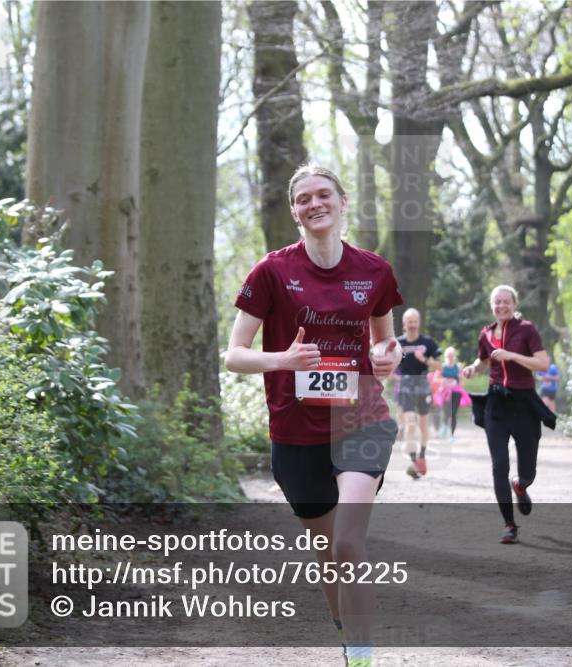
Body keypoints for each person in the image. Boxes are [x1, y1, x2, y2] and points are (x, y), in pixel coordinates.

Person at [225, 164, 403, 667]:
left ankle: (363, 655)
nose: (315, 203)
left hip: (361, 420)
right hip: (295, 431)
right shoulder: (271, 272)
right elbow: (234, 354)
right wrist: (283, 359)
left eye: (324, 194)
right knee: (328, 553)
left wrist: (387, 357)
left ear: (343, 202)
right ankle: (349, 638)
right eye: (304, 198)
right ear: (294, 212)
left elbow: (385, 342)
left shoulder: (374, 270)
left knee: (348, 541)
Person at [463, 285, 551, 544]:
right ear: (492, 306)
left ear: (514, 304)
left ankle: (520, 485)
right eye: (497, 302)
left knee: (528, 471)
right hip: (496, 404)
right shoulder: (486, 334)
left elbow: (543, 363)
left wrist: (512, 355)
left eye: (506, 301)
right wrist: (473, 368)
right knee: (499, 465)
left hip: (523, 404)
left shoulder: (527, 329)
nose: (501, 306)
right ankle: (509, 525)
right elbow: (483, 361)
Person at [396, 308, 441, 479]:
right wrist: (394, 375)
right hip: (406, 385)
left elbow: (440, 366)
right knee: (410, 424)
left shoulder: (428, 342)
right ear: (404, 324)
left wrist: (424, 359)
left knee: (423, 424)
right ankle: (414, 461)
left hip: (423, 384)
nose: (413, 325)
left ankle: (422, 455)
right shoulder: (398, 343)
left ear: (419, 323)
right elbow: (389, 364)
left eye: (415, 321)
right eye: (410, 322)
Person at [438, 346, 469, 441]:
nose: (450, 357)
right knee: (446, 412)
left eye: (452, 355)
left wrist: (460, 376)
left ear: (455, 356)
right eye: (449, 355)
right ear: (445, 356)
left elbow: (463, 382)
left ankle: (452, 435)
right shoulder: (442, 367)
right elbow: (435, 379)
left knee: (453, 413)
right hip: (445, 393)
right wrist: (445, 380)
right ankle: (444, 428)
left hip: (456, 393)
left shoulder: (458, 367)